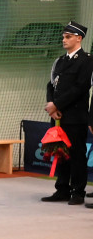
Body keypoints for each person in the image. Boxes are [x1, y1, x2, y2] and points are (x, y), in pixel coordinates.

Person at [41, 21, 92, 205]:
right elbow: (51, 84)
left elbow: (80, 87)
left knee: (77, 154)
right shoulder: (60, 61)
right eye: (63, 36)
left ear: (79, 38)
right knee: (60, 152)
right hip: (57, 116)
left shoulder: (87, 60)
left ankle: (78, 191)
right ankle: (62, 189)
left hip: (75, 116)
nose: (64, 39)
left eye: (68, 36)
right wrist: (50, 104)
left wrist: (57, 105)